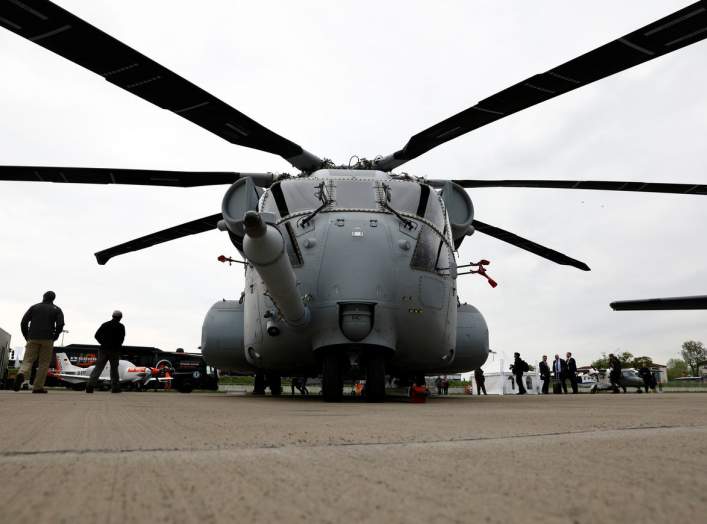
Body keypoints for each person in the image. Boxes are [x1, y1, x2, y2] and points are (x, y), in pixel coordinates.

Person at [14, 291, 64, 393]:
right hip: (48, 338)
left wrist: (26, 335)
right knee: (44, 363)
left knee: (27, 360)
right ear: (53, 299)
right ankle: (38, 387)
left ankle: (21, 373)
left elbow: (23, 322)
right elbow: (60, 324)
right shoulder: (57, 309)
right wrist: (56, 335)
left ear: (43, 297)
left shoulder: (34, 307)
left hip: (32, 337)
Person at [86, 310, 125, 394]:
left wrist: (102, 343)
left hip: (103, 349)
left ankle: (90, 386)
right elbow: (122, 339)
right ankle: (115, 388)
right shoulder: (121, 326)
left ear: (112, 316)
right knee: (114, 369)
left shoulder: (105, 324)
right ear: (120, 317)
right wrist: (117, 345)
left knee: (98, 368)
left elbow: (96, 335)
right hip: (115, 350)